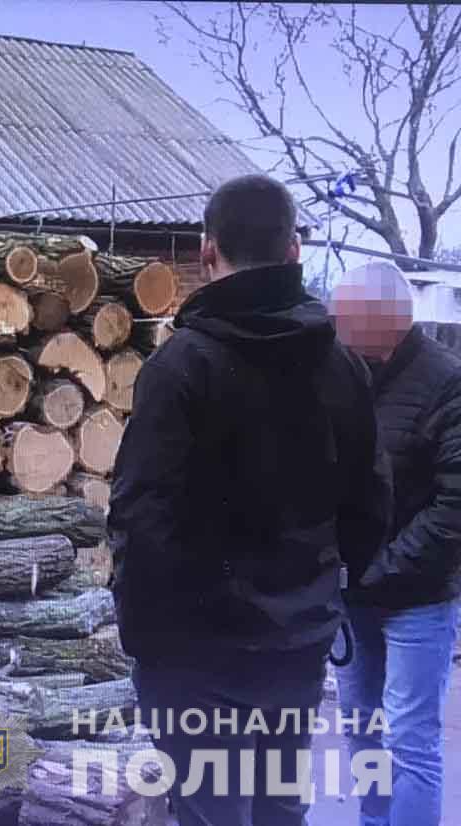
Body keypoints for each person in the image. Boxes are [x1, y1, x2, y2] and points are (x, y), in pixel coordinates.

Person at [109, 174, 390, 826]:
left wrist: (147, 642)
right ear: (294, 251)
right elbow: (371, 503)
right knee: (279, 813)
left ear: (207, 253)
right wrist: (326, 591)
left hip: (196, 655)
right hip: (296, 645)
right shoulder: (342, 368)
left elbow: (141, 519)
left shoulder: (179, 367)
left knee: (209, 814)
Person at [330, 261, 461, 826]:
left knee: (410, 738)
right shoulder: (343, 377)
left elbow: (454, 507)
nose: (333, 327)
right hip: (354, 595)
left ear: (384, 319)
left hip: (419, 598)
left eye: (343, 318)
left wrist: (382, 569)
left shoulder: (448, 383)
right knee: (361, 728)